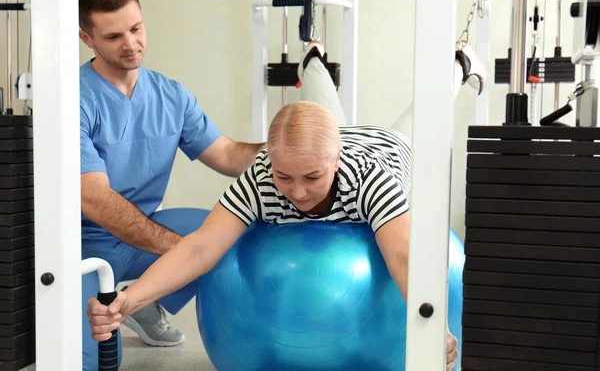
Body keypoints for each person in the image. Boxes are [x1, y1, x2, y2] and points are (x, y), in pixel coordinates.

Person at [86, 39, 487, 370]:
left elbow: (402, 256)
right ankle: (312, 60)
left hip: (390, 150)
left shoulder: (368, 178)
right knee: (320, 113)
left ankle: (459, 62)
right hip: (324, 138)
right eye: (284, 177)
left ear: (336, 160)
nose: (296, 192)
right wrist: (129, 300)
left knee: (422, 117)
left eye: (312, 179)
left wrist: (433, 326)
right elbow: (200, 248)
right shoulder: (262, 176)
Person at [78, 0, 265, 371]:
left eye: (136, 28)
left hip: (141, 231)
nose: (131, 44)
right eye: (113, 36)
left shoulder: (171, 95)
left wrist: (286, 149)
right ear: (86, 37)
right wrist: (182, 252)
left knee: (229, 236)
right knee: (92, 362)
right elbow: (94, 200)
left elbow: (229, 155)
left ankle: (147, 305)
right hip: (82, 246)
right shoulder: (75, 99)